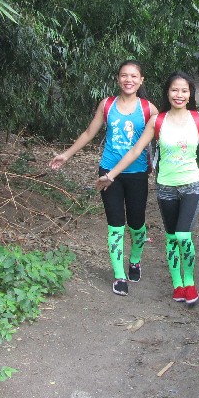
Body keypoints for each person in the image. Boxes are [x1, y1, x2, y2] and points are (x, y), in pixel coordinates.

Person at [97, 72, 199, 305]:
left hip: (192, 185)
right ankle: (177, 284)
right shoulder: (157, 121)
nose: (179, 95)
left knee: (183, 235)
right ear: (167, 93)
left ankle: (190, 283)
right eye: (174, 90)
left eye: (184, 90)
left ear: (190, 94)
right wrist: (110, 175)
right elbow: (135, 151)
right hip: (166, 187)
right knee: (171, 237)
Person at [50, 60, 158, 297]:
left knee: (137, 223)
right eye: (124, 75)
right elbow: (90, 132)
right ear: (118, 79)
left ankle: (135, 260)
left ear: (141, 80)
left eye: (134, 76)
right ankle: (119, 275)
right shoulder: (107, 105)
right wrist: (66, 155)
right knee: (115, 224)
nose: (129, 80)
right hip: (108, 173)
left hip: (137, 173)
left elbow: (163, 135)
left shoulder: (149, 109)